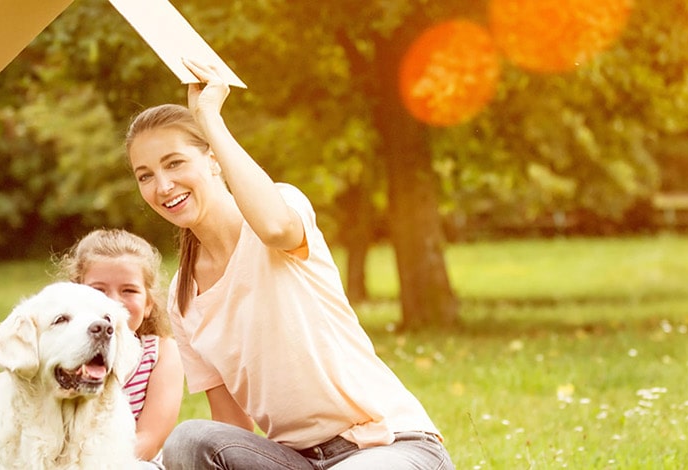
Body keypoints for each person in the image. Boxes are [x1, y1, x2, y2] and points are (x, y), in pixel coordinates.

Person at [124, 59, 454, 469]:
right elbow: (233, 427)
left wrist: (209, 117)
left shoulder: (280, 208)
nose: (163, 186)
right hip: (296, 461)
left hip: (388, 448)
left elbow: (277, 228)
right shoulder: (182, 299)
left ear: (212, 159)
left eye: (175, 163)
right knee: (190, 440)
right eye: (145, 175)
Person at [55, 229, 185, 468]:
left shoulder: (162, 353)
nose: (113, 302)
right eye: (98, 290)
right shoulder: (58, 355)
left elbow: (149, 440)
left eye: (129, 290)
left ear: (148, 304)